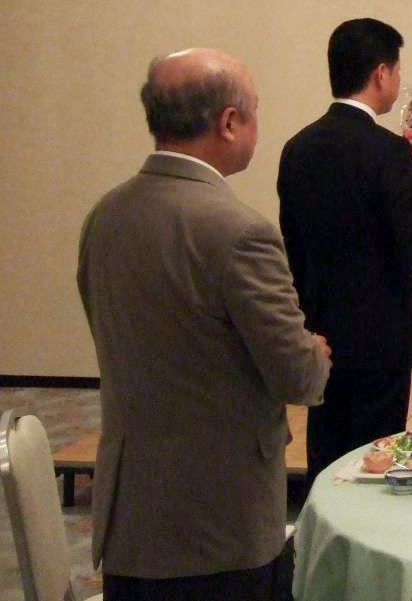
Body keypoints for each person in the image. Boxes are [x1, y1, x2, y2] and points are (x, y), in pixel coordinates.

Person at [77, 49, 331, 601]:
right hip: (218, 526)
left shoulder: (105, 216)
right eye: (256, 110)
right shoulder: (239, 232)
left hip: (130, 524)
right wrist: (314, 350)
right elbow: (298, 378)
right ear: (229, 122)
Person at [277, 18, 412, 481]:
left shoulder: (298, 148)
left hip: (321, 330)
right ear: (381, 73)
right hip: (381, 336)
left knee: (327, 453)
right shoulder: (389, 151)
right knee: (377, 459)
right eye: (397, 70)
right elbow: (411, 252)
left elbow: (293, 245)